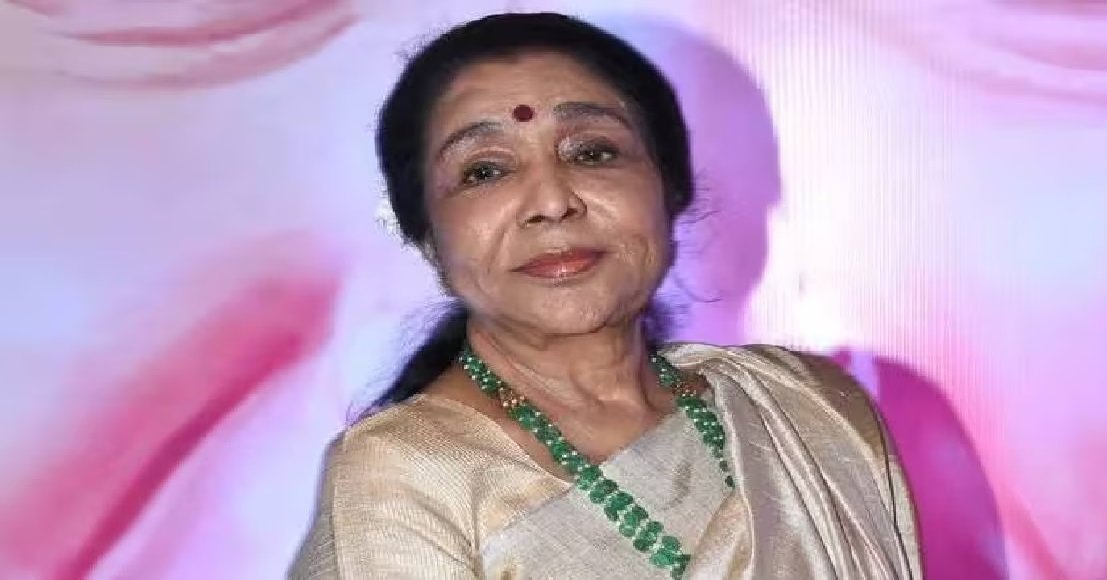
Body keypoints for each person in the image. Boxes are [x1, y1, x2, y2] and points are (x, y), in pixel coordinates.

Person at [289, 12, 920, 579]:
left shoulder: (807, 406)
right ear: (427, 234)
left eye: (592, 152)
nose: (552, 201)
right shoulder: (401, 479)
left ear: (669, 187)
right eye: (485, 171)